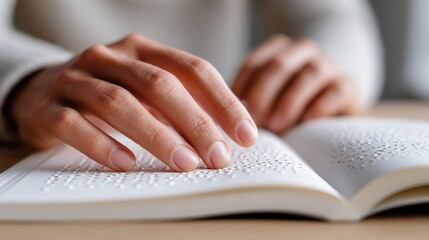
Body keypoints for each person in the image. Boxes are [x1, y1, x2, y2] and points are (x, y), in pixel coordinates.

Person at [0, 0, 382, 172]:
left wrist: (330, 65)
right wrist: (28, 79)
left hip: (235, 127)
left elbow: (335, 15)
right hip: (48, 136)